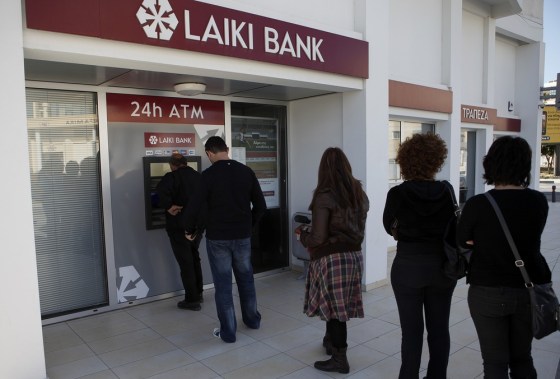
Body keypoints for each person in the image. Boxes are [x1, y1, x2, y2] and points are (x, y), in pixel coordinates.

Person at [457, 136, 550, 378]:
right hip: (528, 288)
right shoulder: (538, 201)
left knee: (495, 363)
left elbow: (461, 241)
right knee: (522, 358)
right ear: (524, 165)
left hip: (486, 289)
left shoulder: (477, 204)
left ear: (491, 165)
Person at [382, 133, 457, 379]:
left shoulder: (397, 193)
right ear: (437, 160)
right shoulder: (447, 191)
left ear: (405, 161)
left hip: (407, 267)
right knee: (439, 330)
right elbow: (454, 227)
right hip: (441, 267)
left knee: (411, 332)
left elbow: (387, 226)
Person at [184, 136, 266, 343]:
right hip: (242, 236)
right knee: (246, 280)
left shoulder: (208, 175)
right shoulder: (246, 172)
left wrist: (189, 229)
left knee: (223, 286)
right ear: (227, 149)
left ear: (209, 153)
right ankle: (252, 320)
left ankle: (228, 332)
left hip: (218, 238)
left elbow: (194, 206)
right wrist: (249, 226)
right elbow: (261, 206)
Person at [295, 147, 369, 374]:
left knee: (336, 312)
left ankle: (340, 358)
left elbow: (318, 237)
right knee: (337, 305)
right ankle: (330, 341)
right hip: (354, 256)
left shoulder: (325, 195)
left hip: (332, 259)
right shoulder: (358, 192)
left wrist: (301, 235)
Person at [156, 153, 205, 311]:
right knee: (194, 257)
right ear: (186, 163)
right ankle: (198, 293)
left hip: (178, 226)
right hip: (197, 226)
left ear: (172, 165)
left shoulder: (171, 177)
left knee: (186, 262)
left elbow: (159, 195)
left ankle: (192, 300)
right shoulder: (199, 177)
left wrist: (170, 206)